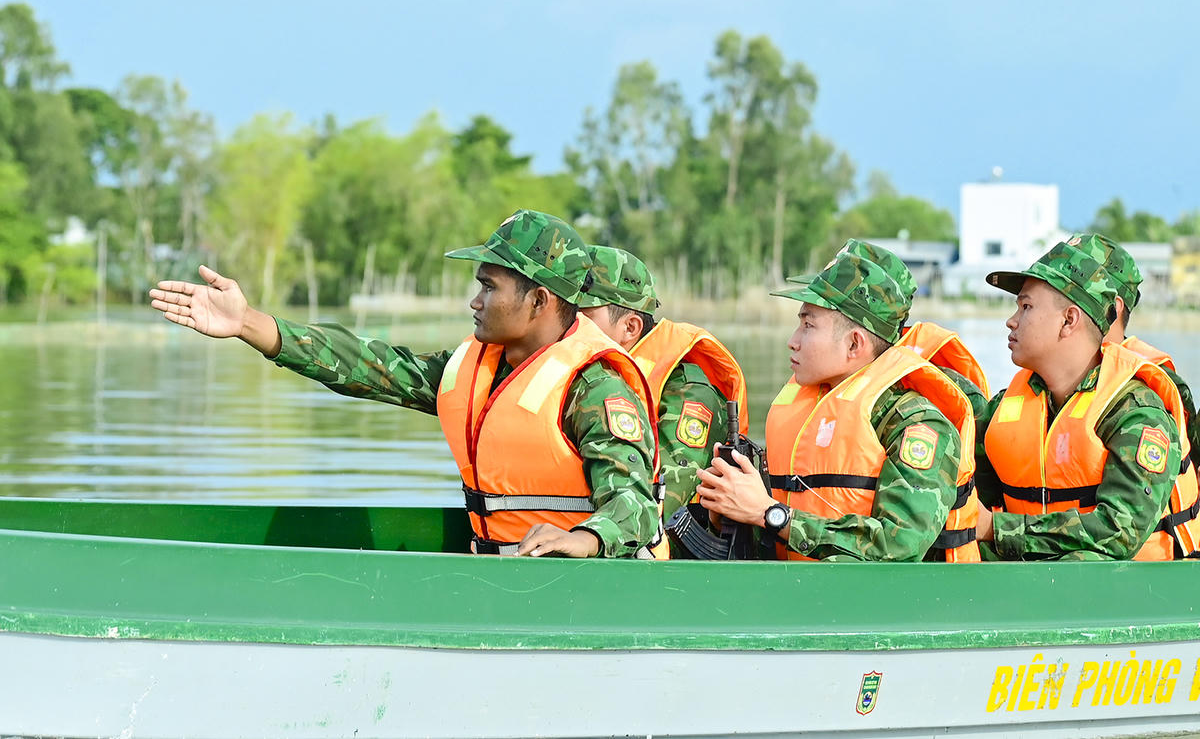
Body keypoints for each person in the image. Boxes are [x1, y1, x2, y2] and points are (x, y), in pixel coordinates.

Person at [149, 209, 660, 559]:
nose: (475, 301)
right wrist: (249, 324)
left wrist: (586, 539)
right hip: (501, 580)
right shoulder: (475, 368)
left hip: (581, 587)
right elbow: (370, 367)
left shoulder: (596, 385)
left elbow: (635, 507)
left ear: (540, 301)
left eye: (489, 287)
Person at [696, 242, 978, 562]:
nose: (793, 340)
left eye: (808, 325)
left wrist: (770, 514)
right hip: (805, 595)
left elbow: (897, 548)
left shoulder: (915, 424)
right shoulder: (808, 406)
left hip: (882, 607)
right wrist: (731, 511)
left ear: (854, 344)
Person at [975, 239, 1189, 560]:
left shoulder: (1136, 412)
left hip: (1140, 593)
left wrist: (996, 528)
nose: (1012, 320)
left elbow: (1119, 532)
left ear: (1069, 320)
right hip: (1034, 578)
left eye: (1026, 307)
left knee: (1083, 562)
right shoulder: (1005, 407)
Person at [576, 245, 748, 556]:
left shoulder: (688, 394)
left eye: (584, 315)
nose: (572, 325)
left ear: (630, 327)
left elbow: (666, 503)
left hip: (671, 566)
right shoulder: (588, 380)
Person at [1067, 232, 1199, 557]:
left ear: (1112, 307)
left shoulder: (1149, 388)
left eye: (1069, 290)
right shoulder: (1050, 381)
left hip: (1155, 574)